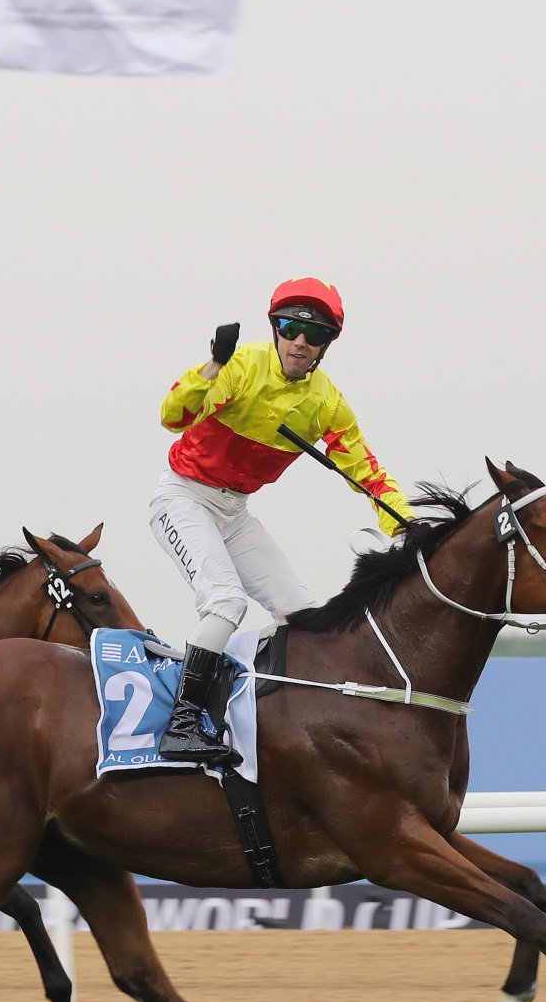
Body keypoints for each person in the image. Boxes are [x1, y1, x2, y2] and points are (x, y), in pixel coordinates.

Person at [149, 277, 415, 763]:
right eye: (291, 327)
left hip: (235, 512)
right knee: (226, 602)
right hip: (183, 498)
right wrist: (212, 365)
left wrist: (409, 526)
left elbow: (366, 472)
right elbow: (173, 416)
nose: (300, 341)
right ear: (275, 328)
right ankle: (181, 723)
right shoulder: (241, 366)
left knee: (304, 615)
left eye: (314, 335)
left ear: (327, 345)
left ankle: (264, 710)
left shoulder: (326, 402)